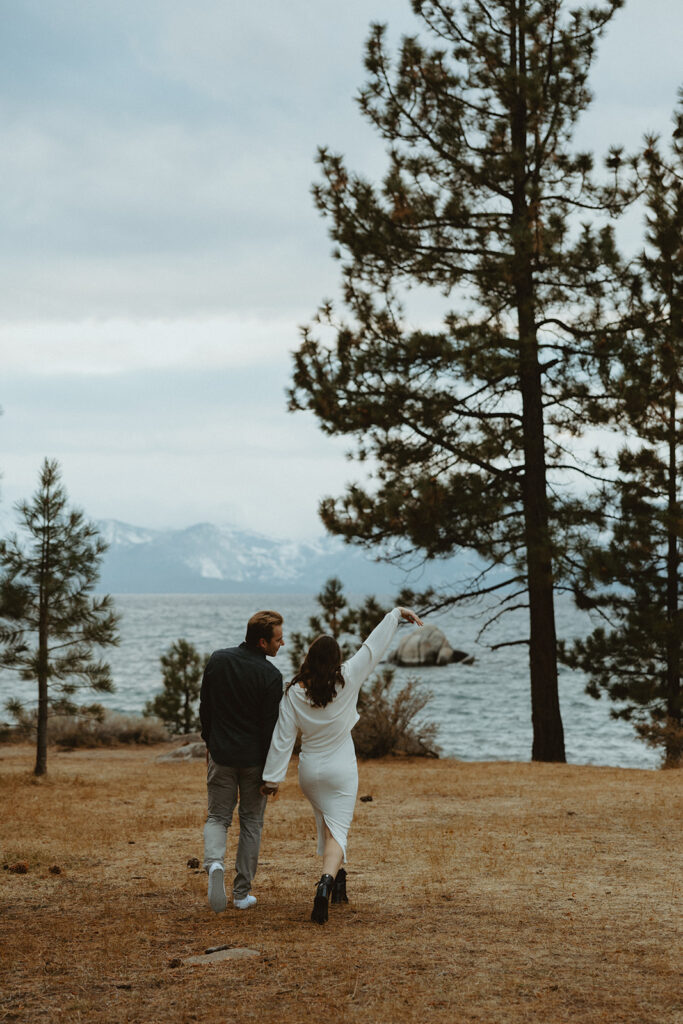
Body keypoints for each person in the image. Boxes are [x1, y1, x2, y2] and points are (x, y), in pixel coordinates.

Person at [260, 605, 423, 924]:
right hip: (341, 769)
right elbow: (372, 647)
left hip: (310, 772)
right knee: (338, 833)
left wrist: (272, 778)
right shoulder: (348, 677)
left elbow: (283, 737)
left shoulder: (294, 692)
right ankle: (325, 884)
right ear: (335, 661)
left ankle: (339, 885)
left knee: (327, 823)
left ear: (309, 658)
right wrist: (394, 615)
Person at [200, 609, 284, 913]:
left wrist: (210, 743)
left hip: (221, 755)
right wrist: (270, 774)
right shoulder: (271, 676)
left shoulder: (218, 660)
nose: (282, 643)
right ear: (262, 642)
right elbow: (270, 728)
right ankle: (240, 894)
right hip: (254, 762)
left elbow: (205, 708)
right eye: (278, 638)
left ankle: (214, 865)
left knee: (217, 817)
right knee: (251, 823)